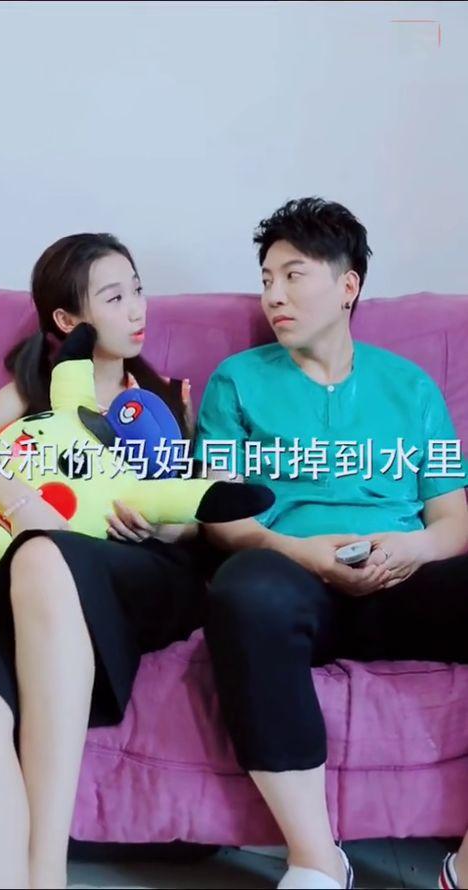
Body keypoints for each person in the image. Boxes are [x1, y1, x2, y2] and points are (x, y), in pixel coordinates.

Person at [194, 197, 468, 890]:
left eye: (294, 275)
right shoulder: (237, 381)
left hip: (404, 575)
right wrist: (300, 553)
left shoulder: (411, 387)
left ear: (348, 285)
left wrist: (414, 551)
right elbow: (220, 518)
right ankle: (316, 860)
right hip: (293, 579)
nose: (274, 296)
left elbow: (453, 520)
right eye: (266, 279)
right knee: (244, 590)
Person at [0, 233, 208, 890]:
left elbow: (193, 512)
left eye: (138, 289)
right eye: (115, 296)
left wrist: (163, 526)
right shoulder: (35, 391)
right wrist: (22, 503)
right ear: (67, 320)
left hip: (139, 568)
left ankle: (47, 873)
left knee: (46, 558)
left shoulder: (163, 399)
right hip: (26, 573)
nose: (137, 308)